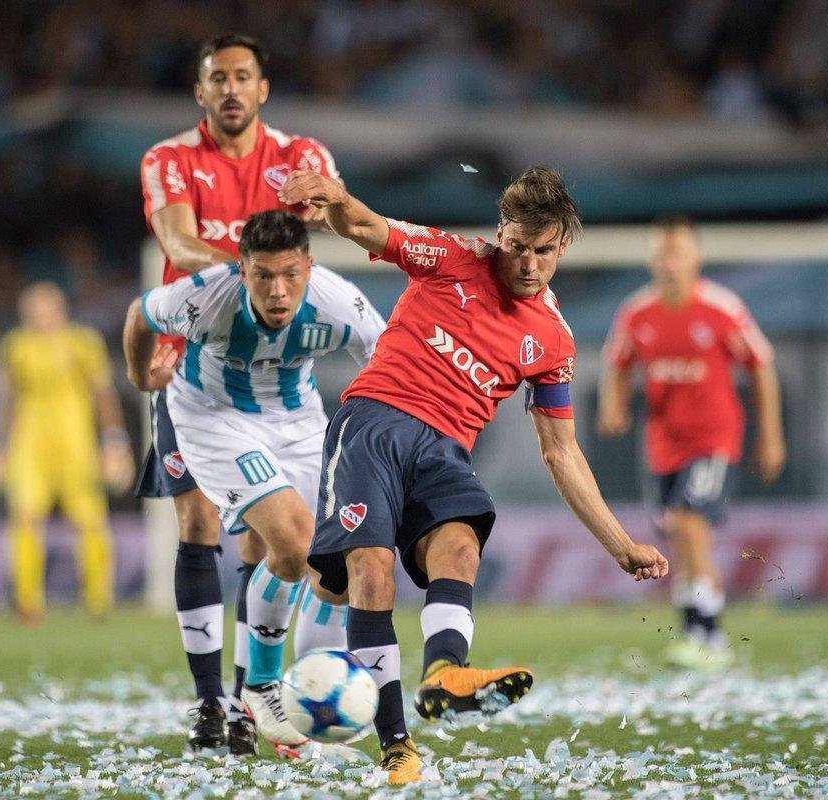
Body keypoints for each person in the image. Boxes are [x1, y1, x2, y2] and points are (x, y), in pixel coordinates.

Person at [278, 165, 669, 784]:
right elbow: (362, 224)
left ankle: (443, 676)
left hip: (443, 451)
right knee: (365, 572)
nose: (528, 264)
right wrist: (334, 194)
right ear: (500, 234)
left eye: (543, 251)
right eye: (517, 247)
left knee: (459, 545)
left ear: (563, 245)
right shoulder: (452, 256)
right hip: (375, 422)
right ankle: (396, 743)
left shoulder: (554, 343)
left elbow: (561, 451)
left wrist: (620, 545)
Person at [136, 33, 344, 755]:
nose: (229, 88)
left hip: (274, 381)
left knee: (273, 537)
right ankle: (208, 706)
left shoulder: (302, 157)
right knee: (195, 523)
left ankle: (251, 696)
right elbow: (178, 241)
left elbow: (325, 218)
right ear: (200, 92)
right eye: (216, 77)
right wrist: (257, 269)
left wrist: (315, 215)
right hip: (186, 367)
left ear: (263, 88)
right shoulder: (169, 160)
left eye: (242, 76)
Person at [123, 210, 385, 755]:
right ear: (241, 271)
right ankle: (260, 687)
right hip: (213, 418)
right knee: (292, 541)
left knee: (340, 562)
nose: (277, 290)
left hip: (299, 421)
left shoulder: (339, 304)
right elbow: (139, 315)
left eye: (289, 274)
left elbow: (384, 362)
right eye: (262, 275)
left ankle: (310, 697)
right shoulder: (204, 298)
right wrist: (137, 374)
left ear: (309, 267)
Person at [597, 215, 785, 670]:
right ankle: (695, 632)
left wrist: (771, 436)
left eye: (678, 252)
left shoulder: (722, 309)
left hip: (714, 438)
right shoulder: (637, 313)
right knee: (681, 536)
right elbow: (617, 362)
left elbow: (760, 365)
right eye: (662, 253)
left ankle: (709, 635)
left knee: (686, 521)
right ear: (651, 260)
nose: (670, 262)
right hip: (662, 444)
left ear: (695, 258)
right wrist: (614, 405)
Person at [0, 281, 133, 622]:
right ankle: (28, 603)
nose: (40, 316)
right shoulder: (15, 345)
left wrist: (113, 440)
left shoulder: (83, 342)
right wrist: (1, 446)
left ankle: (98, 601)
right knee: (24, 519)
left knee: (90, 522)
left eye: (46, 308)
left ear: (61, 309)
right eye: (33, 309)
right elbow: (10, 398)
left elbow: (102, 394)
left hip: (76, 446)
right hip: (29, 447)